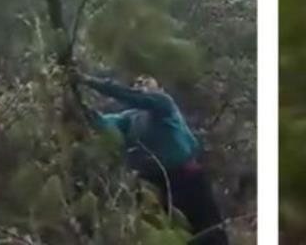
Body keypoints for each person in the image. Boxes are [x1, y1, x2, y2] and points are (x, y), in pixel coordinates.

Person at [75, 72, 229, 245]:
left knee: (206, 228)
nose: (140, 83)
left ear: (159, 88)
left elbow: (136, 97)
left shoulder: (163, 104)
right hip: (155, 185)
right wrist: (78, 102)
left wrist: (88, 81)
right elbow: (102, 122)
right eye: (137, 81)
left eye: (146, 80)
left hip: (187, 179)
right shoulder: (128, 118)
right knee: (171, 230)